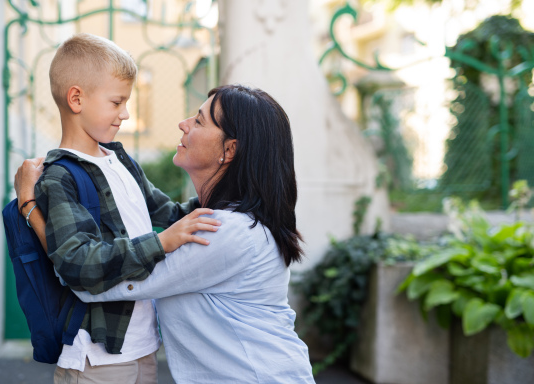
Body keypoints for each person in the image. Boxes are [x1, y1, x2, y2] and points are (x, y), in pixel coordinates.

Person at [18, 84, 316, 383]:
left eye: (199, 121)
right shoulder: (221, 219)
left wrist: (29, 206)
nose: (183, 124)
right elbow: (166, 213)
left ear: (230, 150)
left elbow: (93, 280)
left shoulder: (224, 232)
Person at [14, 32, 221, 384]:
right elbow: (77, 263)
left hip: (142, 346)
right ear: (76, 99)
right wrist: (162, 243)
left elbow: (171, 214)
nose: (125, 114)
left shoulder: (121, 161)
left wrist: (233, 194)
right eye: (116, 102)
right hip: (97, 357)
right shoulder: (61, 176)